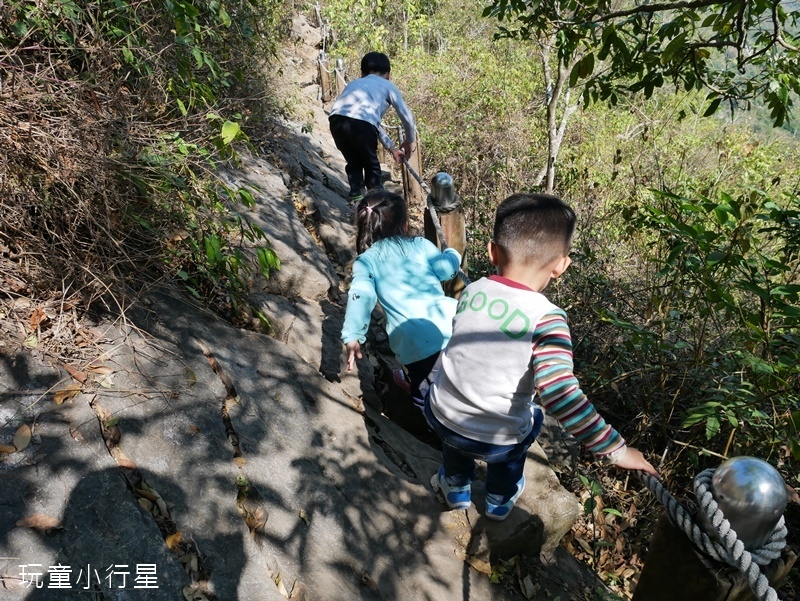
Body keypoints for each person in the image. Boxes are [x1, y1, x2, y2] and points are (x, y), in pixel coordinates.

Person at [425, 193, 659, 521]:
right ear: (561, 266)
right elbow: (559, 393)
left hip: (441, 416)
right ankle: (499, 500)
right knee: (531, 418)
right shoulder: (547, 317)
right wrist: (616, 450)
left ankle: (455, 485)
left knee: (458, 439)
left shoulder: (474, 289)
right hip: (496, 441)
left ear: (492, 251)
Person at [341, 190, 461, 420]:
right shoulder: (420, 245)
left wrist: (353, 335)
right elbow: (446, 269)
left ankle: (430, 414)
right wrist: (453, 253)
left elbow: (360, 296)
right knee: (453, 382)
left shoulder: (366, 261)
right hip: (449, 326)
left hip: (411, 343)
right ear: (405, 224)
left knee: (426, 383)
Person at [329, 52, 416, 202]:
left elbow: (370, 123)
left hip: (336, 120)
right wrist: (410, 140)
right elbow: (407, 118)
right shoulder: (388, 86)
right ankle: (376, 201)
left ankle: (357, 199)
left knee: (354, 162)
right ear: (388, 74)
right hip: (362, 125)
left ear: (362, 73)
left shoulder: (354, 84)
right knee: (371, 165)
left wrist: (392, 148)